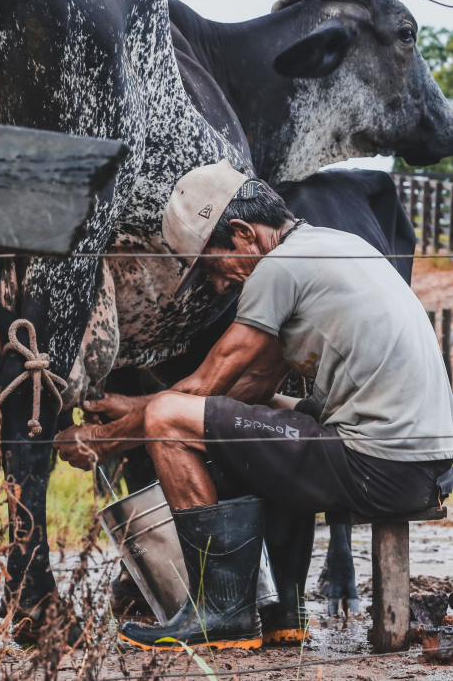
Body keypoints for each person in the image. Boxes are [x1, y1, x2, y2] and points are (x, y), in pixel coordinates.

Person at [54, 160, 453, 651]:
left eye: (211, 264)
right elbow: (248, 391)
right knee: (264, 421)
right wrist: (131, 404)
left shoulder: (278, 268)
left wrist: (103, 440)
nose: (218, 285)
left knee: (170, 418)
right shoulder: (330, 246)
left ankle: (220, 611)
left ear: (243, 233)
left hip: (379, 465)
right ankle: (284, 610)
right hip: (422, 466)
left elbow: (202, 390)